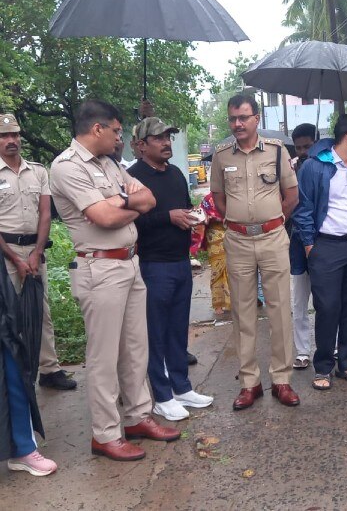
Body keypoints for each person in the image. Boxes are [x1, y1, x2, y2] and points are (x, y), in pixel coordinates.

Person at [50, 100, 180, 461]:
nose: (120, 138)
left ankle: (138, 416)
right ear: (97, 129)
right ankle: (105, 434)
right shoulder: (66, 167)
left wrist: (120, 200)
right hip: (100, 269)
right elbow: (103, 218)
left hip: (129, 263)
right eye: (117, 131)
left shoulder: (110, 164)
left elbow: (149, 198)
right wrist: (126, 203)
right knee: (104, 356)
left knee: (136, 348)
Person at [210, 94, 300, 410]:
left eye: (243, 117)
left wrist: (271, 222)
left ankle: (282, 380)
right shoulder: (221, 156)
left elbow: (291, 195)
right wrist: (240, 222)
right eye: (233, 118)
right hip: (237, 241)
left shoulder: (277, 151)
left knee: (279, 309)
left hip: (273, 238)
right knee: (243, 313)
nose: (237, 123)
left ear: (256, 119)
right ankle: (250, 383)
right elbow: (218, 198)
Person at [128, 117, 214, 421]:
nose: (167, 143)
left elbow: (181, 208)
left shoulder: (176, 173)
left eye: (168, 137)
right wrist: (167, 217)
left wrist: (191, 216)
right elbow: (131, 221)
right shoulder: (132, 178)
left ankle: (182, 386)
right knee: (156, 332)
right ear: (140, 145)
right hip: (153, 264)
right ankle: (162, 395)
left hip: (180, 262)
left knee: (179, 328)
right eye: (159, 138)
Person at [294, 113, 347, 390]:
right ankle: (323, 366)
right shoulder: (315, 167)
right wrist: (309, 246)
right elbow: (303, 209)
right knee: (328, 307)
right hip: (326, 246)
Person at [0, 114, 76, 391]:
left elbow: (45, 214)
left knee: (40, 310)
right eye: (4, 136)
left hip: (34, 249)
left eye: (15, 135)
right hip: (5, 252)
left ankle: (49, 369)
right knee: (9, 313)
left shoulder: (38, 171)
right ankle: (16, 373)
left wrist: (36, 252)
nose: (12, 140)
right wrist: (16, 259)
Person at [289, 123, 317, 370]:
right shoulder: (288, 171)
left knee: (326, 299)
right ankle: (302, 350)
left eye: (307, 146)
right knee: (298, 301)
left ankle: (333, 346)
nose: (303, 151)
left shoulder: (327, 169)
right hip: (297, 243)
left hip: (322, 243)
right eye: (298, 148)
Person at [191, 193, 231, 316]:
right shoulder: (209, 199)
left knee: (233, 271)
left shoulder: (233, 195)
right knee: (217, 271)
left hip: (233, 236)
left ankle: (234, 302)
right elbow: (201, 217)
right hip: (214, 237)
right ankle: (218, 305)